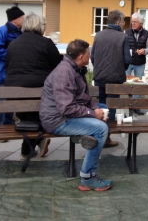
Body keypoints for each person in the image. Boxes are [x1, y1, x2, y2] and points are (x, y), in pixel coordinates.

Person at [39, 39, 112, 191]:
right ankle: (87, 178)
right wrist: (93, 114)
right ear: (80, 56)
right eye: (88, 54)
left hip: (66, 115)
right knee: (101, 129)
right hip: (58, 121)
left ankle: (86, 135)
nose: (90, 56)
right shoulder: (64, 73)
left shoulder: (74, 69)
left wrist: (96, 109)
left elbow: (83, 97)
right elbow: (66, 108)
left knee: (103, 107)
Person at [5, 12, 63, 160]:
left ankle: (36, 143)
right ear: (39, 26)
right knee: (35, 115)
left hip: (13, 92)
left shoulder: (13, 44)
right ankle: (28, 150)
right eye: (44, 25)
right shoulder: (46, 43)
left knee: (29, 118)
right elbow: (58, 66)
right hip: (38, 91)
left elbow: (8, 66)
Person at [91, 10, 131, 148]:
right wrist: (120, 69)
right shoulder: (122, 37)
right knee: (111, 108)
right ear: (119, 22)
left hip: (99, 77)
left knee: (100, 106)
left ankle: (98, 136)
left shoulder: (98, 35)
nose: (124, 24)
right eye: (124, 21)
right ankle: (106, 138)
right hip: (115, 78)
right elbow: (127, 59)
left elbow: (93, 57)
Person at [0, 6, 25, 129]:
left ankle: (8, 126)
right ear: (15, 19)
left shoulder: (20, 32)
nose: (24, 19)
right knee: (0, 103)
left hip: (14, 74)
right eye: (22, 17)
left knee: (11, 102)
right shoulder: (2, 31)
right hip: (2, 74)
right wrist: (13, 55)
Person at [125, 12, 148, 115]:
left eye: (135, 22)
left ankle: (135, 106)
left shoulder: (146, 33)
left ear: (140, 23)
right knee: (127, 83)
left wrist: (144, 51)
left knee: (138, 85)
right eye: (132, 21)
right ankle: (128, 104)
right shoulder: (126, 32)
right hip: (128, 62)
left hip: (140, 63)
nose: (133, 23)